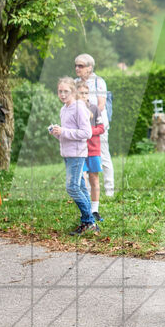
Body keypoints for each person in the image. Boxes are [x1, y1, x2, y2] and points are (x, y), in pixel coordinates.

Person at [49, 77, 98, 236]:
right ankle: (89, 222)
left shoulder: (79, 108)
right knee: (81, 187)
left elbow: (86, 133)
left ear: (73, 91)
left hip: (77, 154)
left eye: (66, 91)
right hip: (67, 154)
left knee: (72, 187)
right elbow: (66, 134)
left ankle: (89, 221)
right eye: (60, 91)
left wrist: (63, 131)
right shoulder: (64, 109)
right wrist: (57, 132)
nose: (63, 94)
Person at [74, 54, 114, 197]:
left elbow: (101, 105)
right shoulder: (74, 83)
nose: (77, 68)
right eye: (76, 66)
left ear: (90, 67)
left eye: (81, 66)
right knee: (83, 159)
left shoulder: (99, 82)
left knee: (104, 156)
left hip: (97, 127)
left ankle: (109, 190)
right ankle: (88, 192)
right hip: (81, 129)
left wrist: (86, 117)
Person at [77, 80, 106, 224]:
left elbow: (101, 128)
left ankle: (95, 210)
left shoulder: (94, 109)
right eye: (81, 93)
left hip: (93, 149)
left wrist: (88, 131)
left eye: (86, 93)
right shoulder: (74, 109)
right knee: (81, 180)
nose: (84, 96)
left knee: (94, 178)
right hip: (79, 150)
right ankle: (86, 209)